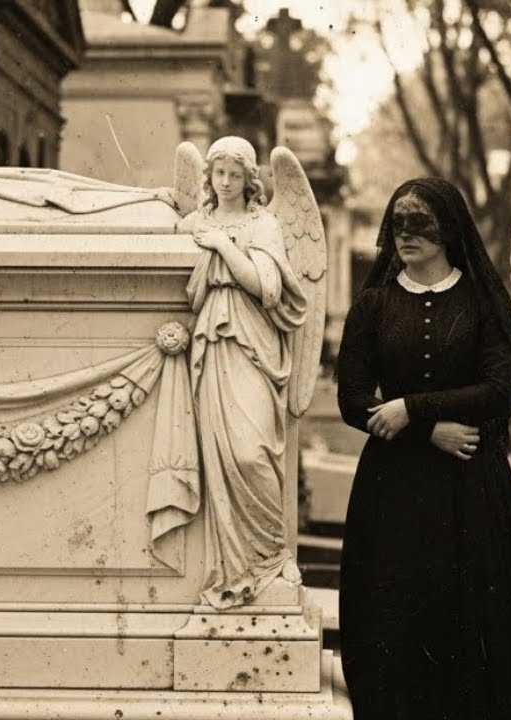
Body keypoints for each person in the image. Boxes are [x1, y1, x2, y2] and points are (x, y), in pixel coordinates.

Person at [335, 177, 511, 719]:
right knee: (395, 615)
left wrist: (412, 407)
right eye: (398, 224)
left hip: (470, 485)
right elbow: (353, 398)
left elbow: (500, 390)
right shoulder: (373, 306)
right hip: (393, 488)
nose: (405, 236)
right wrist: (425, 428)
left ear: (450, 229)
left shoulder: (482, 303)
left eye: (420, 224)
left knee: (472, 617)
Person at [181, 136, 309, 609]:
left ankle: (271, 559)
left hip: (254, 347)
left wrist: (221, 246)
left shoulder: (264, 223)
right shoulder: (192, 222)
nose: (228, 182)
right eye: (219, 174)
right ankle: (234, 567)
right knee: (220, 454)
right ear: (209, 178)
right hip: (212, 348)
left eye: (236, 174)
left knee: (253, 453)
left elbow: (266, 286)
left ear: (250, 178)